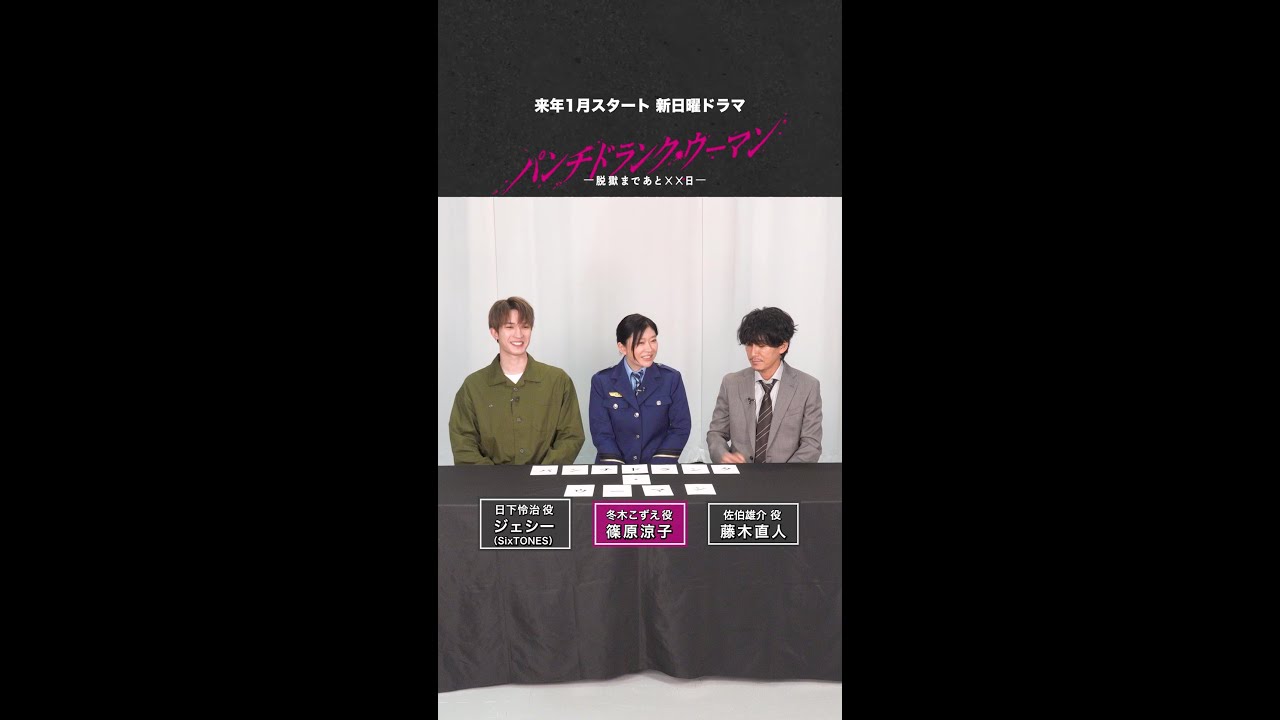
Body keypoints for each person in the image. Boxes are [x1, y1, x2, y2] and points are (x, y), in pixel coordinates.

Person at [449, 296, 584, 465]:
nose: (519, 334)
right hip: (490, 481)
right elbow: (463, 443)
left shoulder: (557, 381)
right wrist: (493, 478)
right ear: (494, 332)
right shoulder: (473, 386)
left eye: (525, 326)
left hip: (546, 480)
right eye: (509, 327)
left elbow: (571, 436)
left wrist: (542, 474)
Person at [707, 307, 822, 463]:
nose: (753, 353)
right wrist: (723, 456)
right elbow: (716, 433)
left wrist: (784, 474)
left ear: (782, 346)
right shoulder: (731, 383)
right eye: (749, 345)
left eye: (761, 346)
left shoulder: (807, 386)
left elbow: (811, 445)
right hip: (741, 474)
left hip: (787, 475)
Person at [589, 314, 691, 464]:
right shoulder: (602, 381)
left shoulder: (671, 379)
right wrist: (618, 469)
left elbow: (680, 427)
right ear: (622, 347)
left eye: (653, 340)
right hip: (614, 468)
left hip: (659, 469)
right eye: (640, 343)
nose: (649, 349)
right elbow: (601, 433)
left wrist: (655, 468)